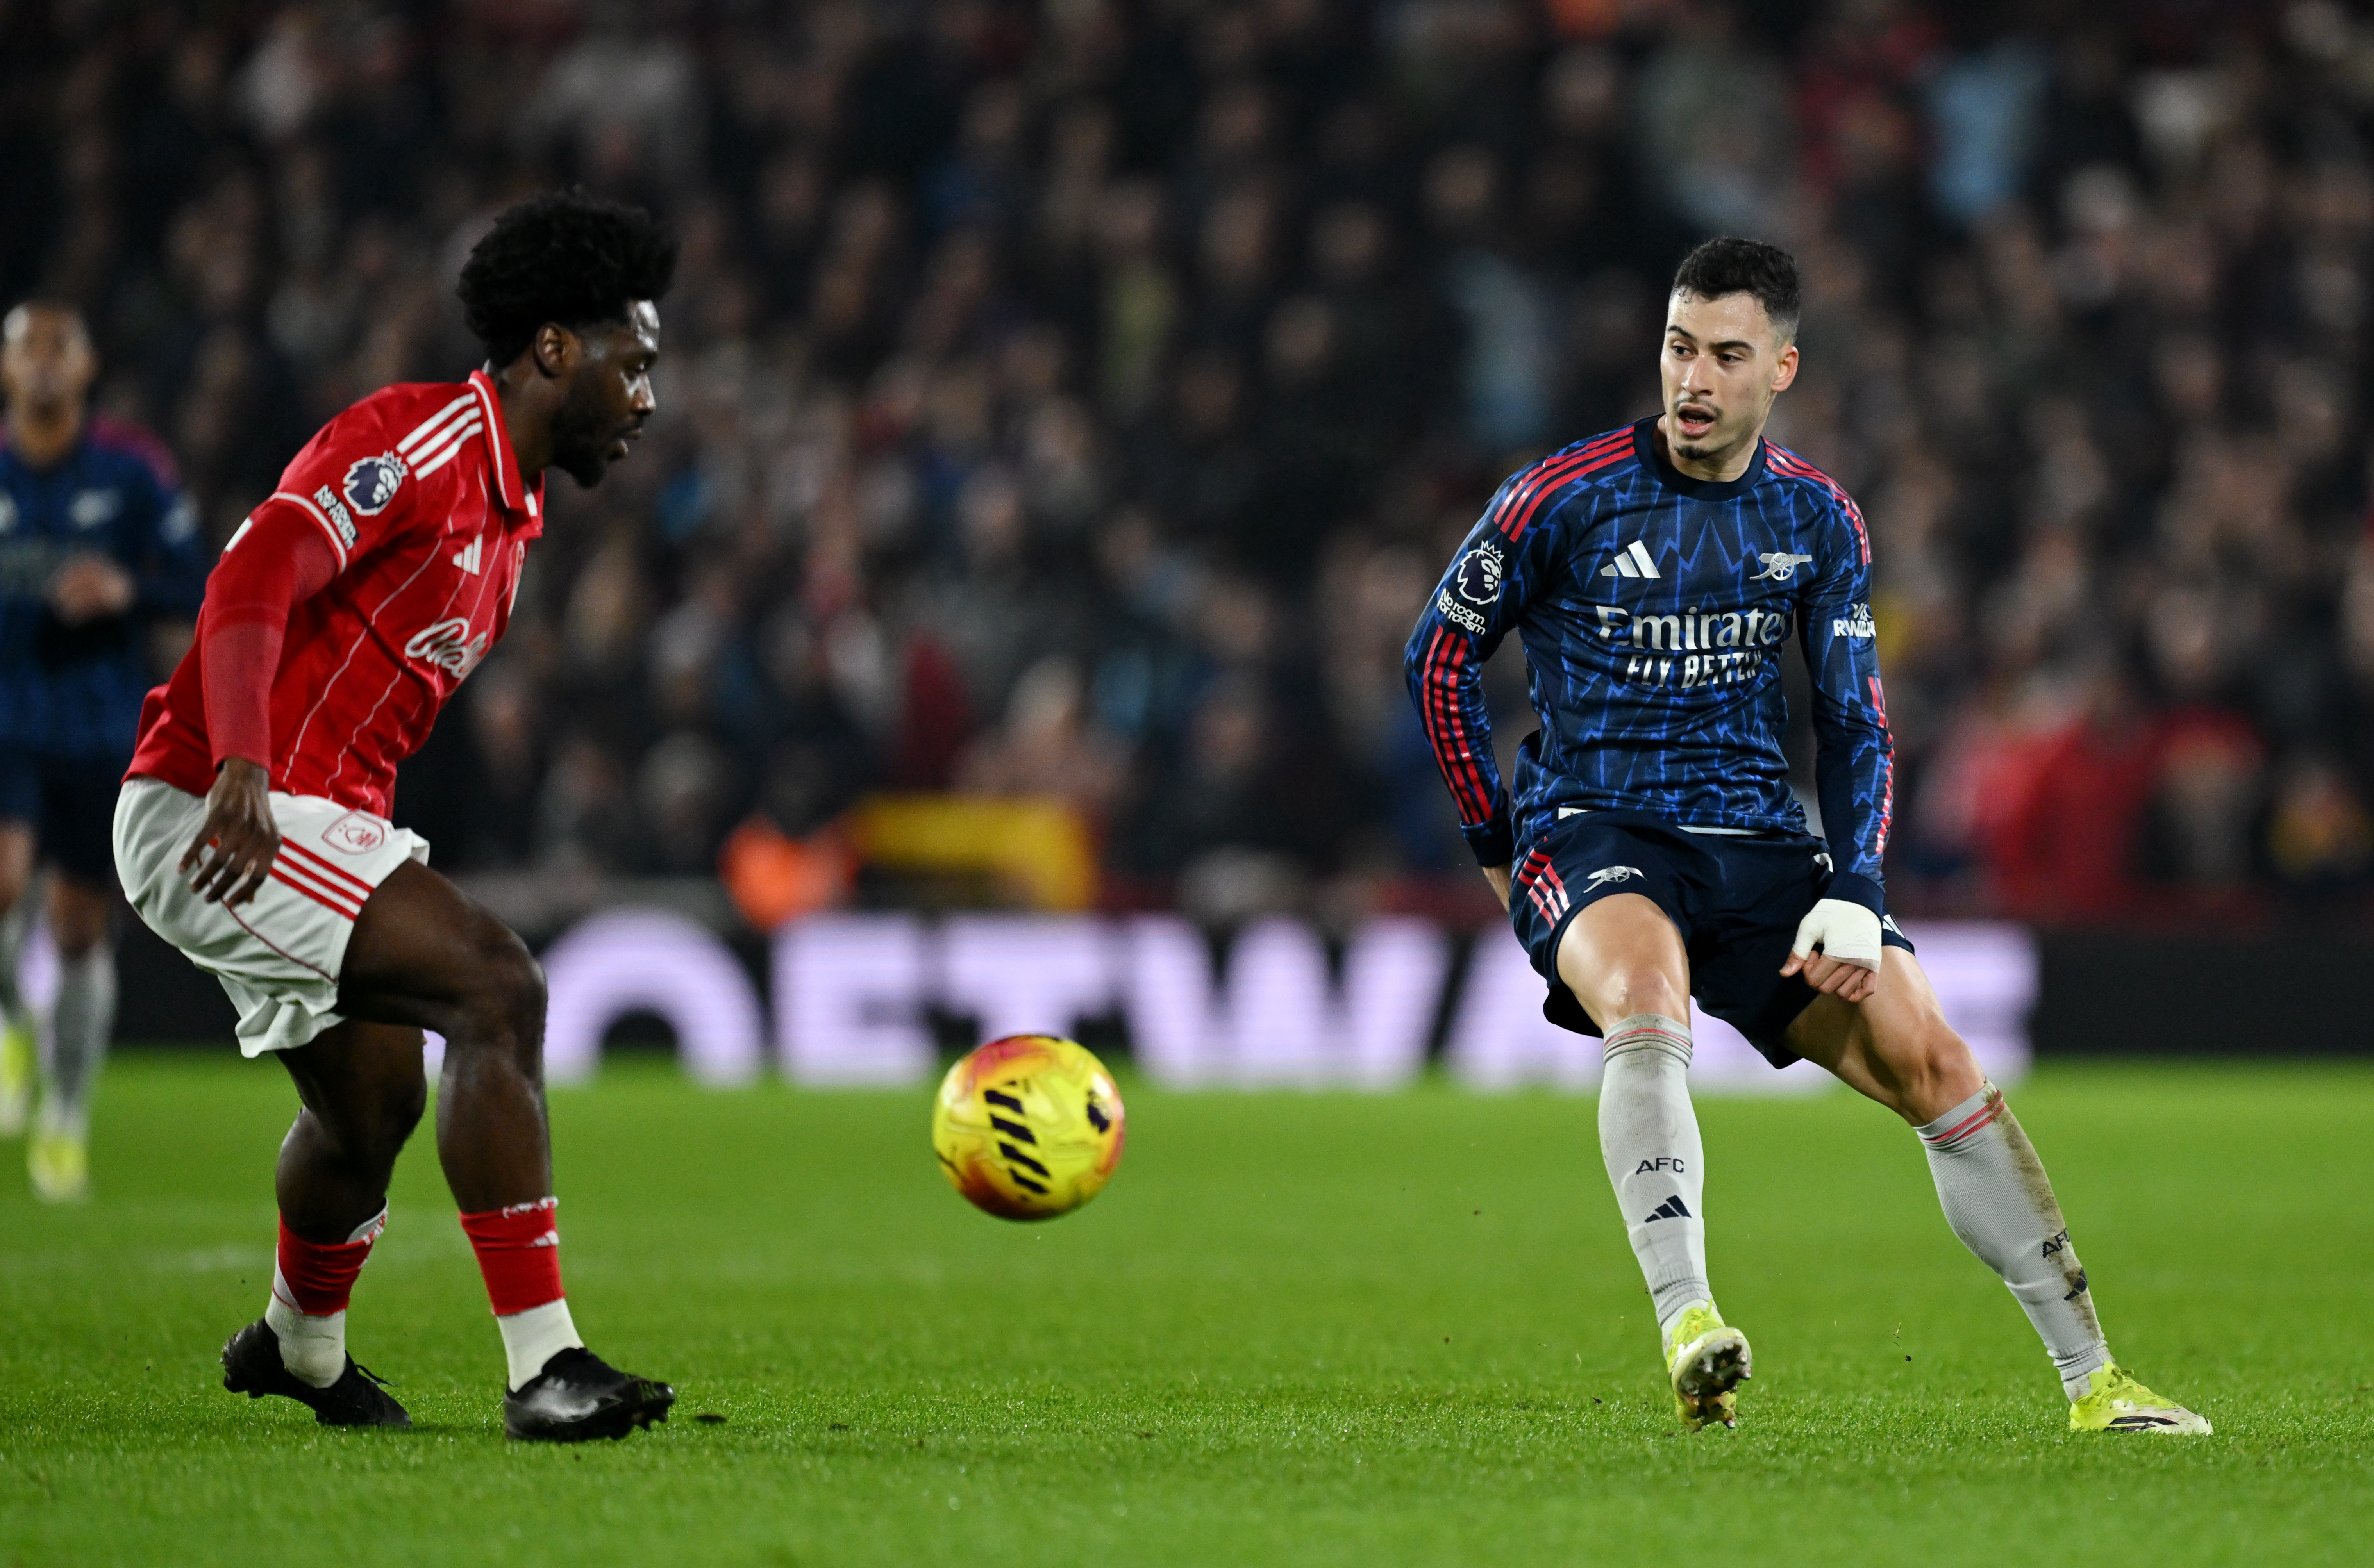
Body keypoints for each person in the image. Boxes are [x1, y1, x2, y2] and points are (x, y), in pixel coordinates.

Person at [1404, 237, 2208, 1436]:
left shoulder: (1814, 517)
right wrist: (1489, 833)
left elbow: (1854, 720)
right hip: (1594, 824)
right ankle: (1688, 1322)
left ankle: (2096, 1384)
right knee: (1643, 994)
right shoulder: (1559, 498)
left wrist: (1859, 882)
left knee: (1933, 1062)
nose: (1693, 380)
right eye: (1680, 347)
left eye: (1726, 356)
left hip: (1758, 848)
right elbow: (1439, 656)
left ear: (1781, 368)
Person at [113, 190, 679, 1441]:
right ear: (553, 351)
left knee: (370, 1108)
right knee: (498, 985)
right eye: (632, 365)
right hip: (217, 803)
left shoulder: (509, 517)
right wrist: (246, 764)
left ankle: (298, 1348)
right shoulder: (418, 447)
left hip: (308, 817)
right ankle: (547, 1366)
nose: (646, 399)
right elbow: (258, 565)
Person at [0, 302, 206, 1200]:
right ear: (7, 370)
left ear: (86, 371)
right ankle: (11, 1028)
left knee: (79, 931)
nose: (44, 363)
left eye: (61, 348)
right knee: (3, 882)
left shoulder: (131, 471)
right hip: (5, 716)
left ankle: (66, 1115)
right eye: (27, 348)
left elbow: (198, 579)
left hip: (98, 726)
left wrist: (128, 586)